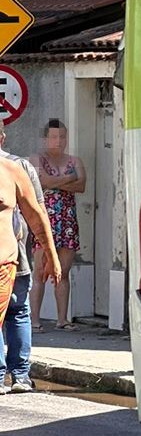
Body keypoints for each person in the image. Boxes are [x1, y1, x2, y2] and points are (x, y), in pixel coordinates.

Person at [0, 153, 58, 365]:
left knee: (18, 310)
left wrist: (52, 255)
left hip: (7, 262)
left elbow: (37, 215)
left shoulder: (14, 169)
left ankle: (18, 373)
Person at [0, 122, 44, 391]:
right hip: (19, 250)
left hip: (15, 253)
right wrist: (44, 250)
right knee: (18, 311)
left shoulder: (18, 167)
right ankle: (20, 375)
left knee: (15, 310)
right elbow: (38, 211)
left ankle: (8, 375)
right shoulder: (21, 166)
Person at [30, 118, 85, 331]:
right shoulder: (37, 158)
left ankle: (62, 320)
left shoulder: (74, 160)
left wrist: (60, 181)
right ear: (45, 139)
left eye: (62, 136)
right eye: (54, 137)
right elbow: (41, 182)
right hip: (44, 221)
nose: (58, 141)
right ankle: (34, 321)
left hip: (68, 221)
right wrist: (68, 178)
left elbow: (81, 185)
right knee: (40, 270)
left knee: (63, 271)